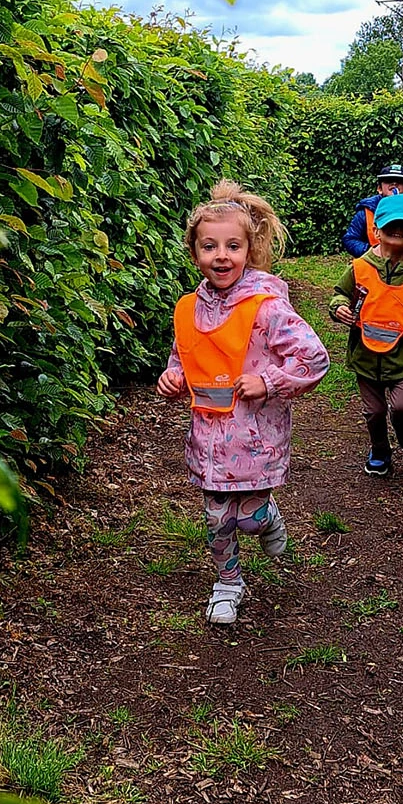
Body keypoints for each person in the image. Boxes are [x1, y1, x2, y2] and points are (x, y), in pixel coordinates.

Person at [157, 181, 330, 625]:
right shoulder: (189, 308)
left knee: (248, 517)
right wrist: (173, 377)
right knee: (217, 518)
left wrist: (269, 382)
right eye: (209, 245)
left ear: (249, 249)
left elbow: (314, 358)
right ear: (194, 251)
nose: (221, 255)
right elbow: (186, 355)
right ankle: (228, 582)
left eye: (232, 245)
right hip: (209, 440)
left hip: (255, 436)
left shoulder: (267, 307)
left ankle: (267, 519)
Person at [329, 191, 403, 478]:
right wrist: (339, 308)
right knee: (374, 412)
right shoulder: (359, 268)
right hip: (364, 355)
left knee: (402, 406)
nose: (397, 230)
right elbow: (339, 295)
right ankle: (380, 451)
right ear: (376, 230)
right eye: (390, 225)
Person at [342, 161, 403, 258]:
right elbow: (350, 239)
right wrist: (372, 252)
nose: (394, 184)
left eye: (401, 182)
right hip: (373, 264)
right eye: (389, 181)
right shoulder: (367, 210)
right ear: (379, 188)